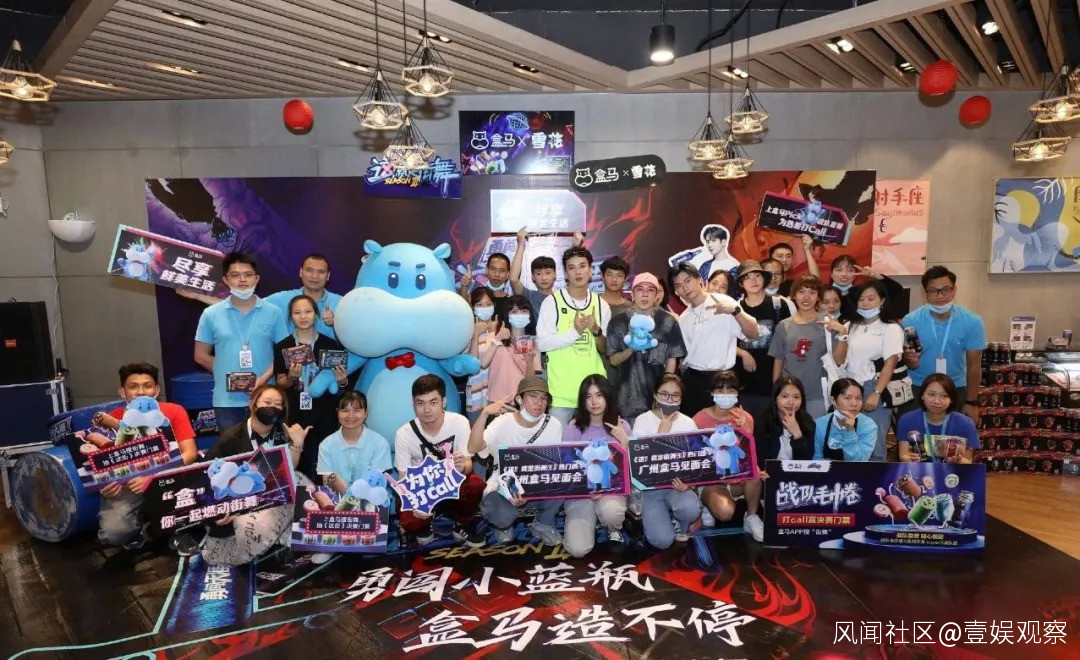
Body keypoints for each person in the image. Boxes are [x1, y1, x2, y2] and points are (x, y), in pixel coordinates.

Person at [199, 385, 311, 566]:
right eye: (267, 402)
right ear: (253, 404)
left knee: (301, 481)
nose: (272, 408)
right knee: (243, 536)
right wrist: (218, 512)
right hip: (238, 506)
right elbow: (207, 480)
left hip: (269, 498)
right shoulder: (231, 437)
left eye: (278, 404)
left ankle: (283, 533)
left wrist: (297, 443)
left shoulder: (283, 433)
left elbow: (290, 471)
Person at [94, 363, 198, 550]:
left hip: (167, 479)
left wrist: (154, 477)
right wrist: (105, 486)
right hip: (129, 485)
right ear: (122, 392)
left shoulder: (174, 411)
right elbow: (103, 465)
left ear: (156, 390)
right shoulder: (113, 419)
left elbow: (190, 453)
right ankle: (142, 526)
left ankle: (178, 530)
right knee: (113, 534)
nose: (141, 392)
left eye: (147, 386)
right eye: (133, 386)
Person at [194, 252, 288, 433]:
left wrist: (262, 379)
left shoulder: (273, 312)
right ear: (225, 280)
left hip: (266, 398)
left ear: (257, 278)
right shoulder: (211, 314)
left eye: (248, 274)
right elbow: (200, 355)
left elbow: (283, 354)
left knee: (268, 448)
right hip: (227, 401)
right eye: (235, 275)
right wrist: (229, 375)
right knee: (232, 449)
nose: (242, 280)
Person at [469, 375, 564, 546]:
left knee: (564, 481)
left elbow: (551, 465)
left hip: (537, 481)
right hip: (504, 484)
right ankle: (503, 526)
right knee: (497, 510)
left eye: (543, 398)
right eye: (533, 396)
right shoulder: (502, 422)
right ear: (519, 399)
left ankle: (543, 523)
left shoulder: (553, 424)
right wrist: (484, 414)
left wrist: (530, 491)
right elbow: (473, 448)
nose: (539, 402)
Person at [394, 375, 486, 546]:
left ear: (444, 402)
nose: (427, 409)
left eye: (433, 402)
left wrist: (462, 467)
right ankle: (424, 526)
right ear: (413, 404)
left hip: (452, 482)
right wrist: (415, 502)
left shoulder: (459, 422)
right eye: (420, 403)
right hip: (422, 488)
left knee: (475, 484)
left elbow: (468, 464)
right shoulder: (404, 434)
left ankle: (462, 523)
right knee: (411, 522)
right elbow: (403, 479)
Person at [832, 281, 909, 461]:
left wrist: (876, 393)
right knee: (848, 440)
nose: (865, 303)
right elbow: (839, 360)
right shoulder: (850, 325)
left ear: (882, 301)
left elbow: (890, 363)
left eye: (871, 299)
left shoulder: (890, 327)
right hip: (849, 388)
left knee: (874, 443)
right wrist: (842, 335)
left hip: (873, 387)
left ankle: (875, 479)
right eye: (861, 299)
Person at [273, 295, 348, 480]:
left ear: (315, 314)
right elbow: (280, 382)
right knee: (299, 465)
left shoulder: (330, 344)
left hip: (325, 413)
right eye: (297, 312)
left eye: (308, 311)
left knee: (326, 464)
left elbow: (340, 387)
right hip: (295, 413)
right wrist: (292, 377)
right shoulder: (283, 346)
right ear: (291, 316)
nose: (303, 316)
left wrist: (342, 381)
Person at [900, 266, 986, 424]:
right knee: (913, 434)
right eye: (933, 291)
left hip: (954, 388)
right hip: (917, 387)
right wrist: (910, 360)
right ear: (925, 293)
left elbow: (974, 365)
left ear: (954, 291)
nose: (940, 296)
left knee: (953, 436)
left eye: (945, 290)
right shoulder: (910, 321)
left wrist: (971, 401)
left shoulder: (972, 321)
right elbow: (909, 363)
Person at [672, 262, 760, 416]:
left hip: (723, 380)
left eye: (688, 281)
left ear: (699, 279)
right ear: (676, 291)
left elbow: (754, 334)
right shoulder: (684, 318)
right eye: (679, 285)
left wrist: (735, 311)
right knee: (695, 426)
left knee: (726, 427)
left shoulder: (724, 302)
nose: (685, 288)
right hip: (694, 381)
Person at [536, 246, 611, 424]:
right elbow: (542, 344)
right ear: (565, 273)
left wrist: (596, 331)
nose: (578, 272)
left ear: (590, 270)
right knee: (557, 441)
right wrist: (575, 332)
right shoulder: (552, 302)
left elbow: (604, 349)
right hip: (562, 394)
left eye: (582, 266)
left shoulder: (601, 304)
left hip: (594, 393)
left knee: (596, 441)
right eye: (572, 267)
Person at [314, 391, 392, 562]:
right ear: (337, 413)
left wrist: (346, 490)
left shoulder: (379, 443)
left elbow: (375, 482)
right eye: (345, 410)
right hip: (338, 499)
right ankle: (330, 544)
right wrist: (338, 486)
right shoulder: (327, 444)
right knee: (323, 500)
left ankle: (368, 540)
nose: (350, 415)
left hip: (369, 500)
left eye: (357, 410)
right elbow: (327, 479)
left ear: (365, 413)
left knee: (373, 500)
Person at [561, 375, 631, 556]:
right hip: (580, 495)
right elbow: (568, 469)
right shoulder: (573, 428)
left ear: (608, 397)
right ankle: (589, 522)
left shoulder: (622, 427)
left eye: (599, 395)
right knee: (578, 550)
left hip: (611, 491)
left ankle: (613, 529)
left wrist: (624, 445)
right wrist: (585, 491)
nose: (594, 401)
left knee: (612, 513)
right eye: (588, 396)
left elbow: (628, 472)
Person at [691, 370, 764, 542]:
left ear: (737, 393)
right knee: (725, 513)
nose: (725, 394)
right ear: (712, 393)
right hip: (712, 481)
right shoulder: (699, 419)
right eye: (720, 390)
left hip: (737, 479)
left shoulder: (745, 418)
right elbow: (695, 459)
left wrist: (746, 432)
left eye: (730, 390)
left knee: (755, 470)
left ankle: (751, 517)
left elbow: (747, 456)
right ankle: (707, 504)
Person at [632, 375, 702, 549]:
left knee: (691, 508)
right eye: (664, 394)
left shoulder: (688, 423)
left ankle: (679, 523)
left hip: (678, 486)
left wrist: (690, 483)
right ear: (655, 395)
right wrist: (661, 433)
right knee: (662, 541)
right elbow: (639, 462)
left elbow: (697, 461)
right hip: (650, 490)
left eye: (675, 395)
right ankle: (660, 518)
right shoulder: (642, 420)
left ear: (681, 398)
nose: (670, 399)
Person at [606, 272, 686, 421]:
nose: (645, 295)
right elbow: (613, 360)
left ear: (656, 295)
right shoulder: (618, 322)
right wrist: (631, 348)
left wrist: (664, 392)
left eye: (650, 290)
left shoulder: (668, 321)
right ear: (632, 294)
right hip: (629, 399)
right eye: (640, 289)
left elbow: (672, 359)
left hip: (660, 400)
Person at [769, 274, 847, 418]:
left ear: (818, 297)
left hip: (818, 394)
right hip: (789, 395)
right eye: (801, 292)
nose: (806, 297)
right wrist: (776, 392)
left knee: (817, 431)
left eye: (812, 292)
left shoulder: (828, 323)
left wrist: (842, 334)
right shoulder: (784, 325)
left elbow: (839, 360)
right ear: (794, 295)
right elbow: (778, 360)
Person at [733, 260, 795, 416]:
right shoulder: (735, 308)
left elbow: (788, 343)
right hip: (744, 384)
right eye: (747, 277)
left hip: (774, 381)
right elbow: (726, 342)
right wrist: (743, 353)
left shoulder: (779, 305)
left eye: (757, 275)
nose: (753, 280)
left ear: (764, 278)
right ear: (741, 283)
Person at [897, 374, 979, 464]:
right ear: (922, 395)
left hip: (952, 472)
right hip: (918, 471)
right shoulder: (907, 420)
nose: (937, 401)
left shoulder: (966, 424)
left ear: (951, 399)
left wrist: (958, 460)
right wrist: (910, 459)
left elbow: (968, 460)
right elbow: (903, 455)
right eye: (931, 394)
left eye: (944, 396)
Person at [509, 227, 585, 315]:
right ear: (533, 277)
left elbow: (573, 269)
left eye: (548, 273)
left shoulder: (563, 296)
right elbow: (513, 279)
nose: (544, 277)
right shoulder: (529, 296)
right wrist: (521, 244)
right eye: (538, 273)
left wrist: (576, 247)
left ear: (555, 274)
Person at [264, 253, 342, 337]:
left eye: (321, 272)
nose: (314, 276)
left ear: (328, 276)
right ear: (301, 272)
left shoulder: (341, 304)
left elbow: (350, 338)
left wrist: (335, 325)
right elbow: (256, 306)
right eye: (309, 270)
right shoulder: (281, 299)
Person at [483, 295, 542, 404]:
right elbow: (483, 363)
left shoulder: (534, 342)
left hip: (520, 401)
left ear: (530, 315)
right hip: (496, 400)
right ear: (507, 315)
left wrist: (529, 363)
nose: (519, 315)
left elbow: (531, 381)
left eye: (524, 311)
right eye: (514, 311)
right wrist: (498, 339)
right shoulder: (494, 336)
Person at [754, 376, 816, 465]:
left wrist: (797, 435)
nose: (791, 402)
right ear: (775, 398)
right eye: (784, 396)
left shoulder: (808, 422)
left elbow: (806, 462)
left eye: (796, 397)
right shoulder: (762, 422)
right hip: (769, 472)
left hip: (797, 472)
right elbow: (761, 460)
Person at [813, 378, 876, 461]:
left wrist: (850, 431)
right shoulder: (820, 424)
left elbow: (859, 461)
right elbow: (817, 458)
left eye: (858, 398)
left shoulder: (868, 425)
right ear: (833, 400)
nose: (854, 404)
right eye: (847, 398)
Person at [829, 255, 905, 323]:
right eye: (839, 270)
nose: (844, 274)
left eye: (850, 270)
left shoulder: (861, 292)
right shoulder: (824, 292)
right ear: (831, 274)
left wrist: (876, 276)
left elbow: (897, 291)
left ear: (855, 275)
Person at [466, 287, 500, 421]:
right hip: (476, 393)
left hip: (497, 392)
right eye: (479, 304)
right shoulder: (467, 331)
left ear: (494, 305)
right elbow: (472, 365)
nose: (484, 308)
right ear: (473, 307)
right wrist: (475, 336)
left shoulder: (501, 329)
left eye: (488, 304)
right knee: (476, 431)